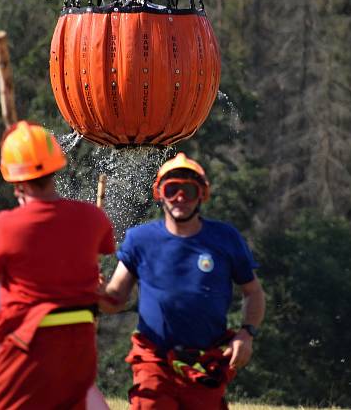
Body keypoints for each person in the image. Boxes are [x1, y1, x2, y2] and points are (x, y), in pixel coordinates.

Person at [100, 152, 266, 409]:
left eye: (188, 190)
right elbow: (115, 298)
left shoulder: (226, 238)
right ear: (160, 194)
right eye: (172, 189)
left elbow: (253, 292)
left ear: (202, 195)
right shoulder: (139, 239)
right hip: (154, 358)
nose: (180, 198)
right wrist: (96, 291)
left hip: (206, 361)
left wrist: (246, 334)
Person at [0, 120, 115, 410]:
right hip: (81, 348)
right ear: (55, 167)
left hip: (32, 345)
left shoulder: (7, 225)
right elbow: (100, 250)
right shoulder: (92, 218)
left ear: (15, 180)